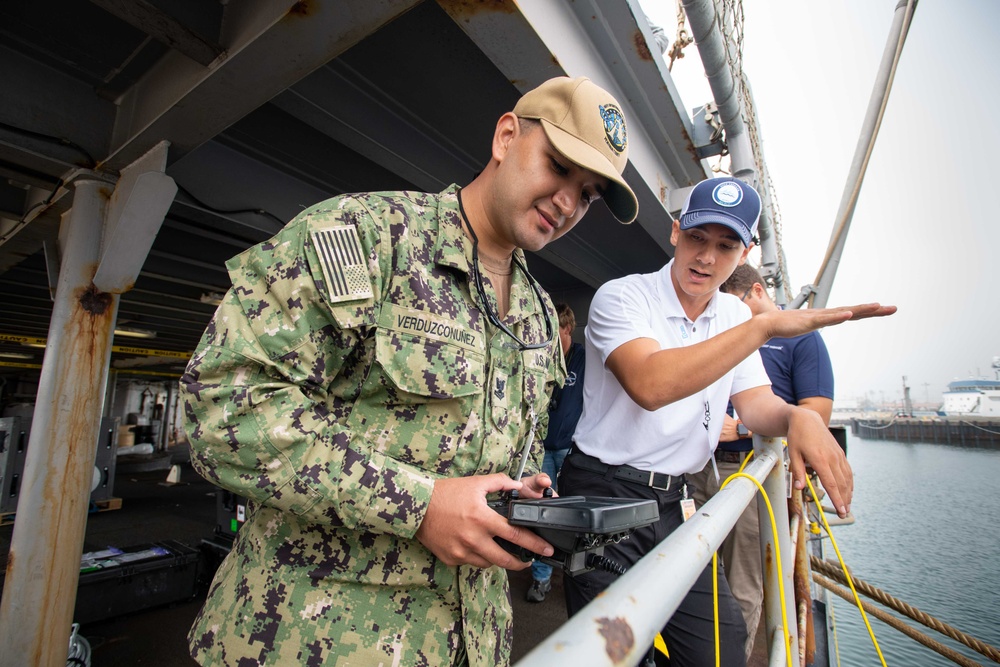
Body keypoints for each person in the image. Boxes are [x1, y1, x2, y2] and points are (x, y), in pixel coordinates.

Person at [179, 76, 639, 667]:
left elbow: (488, 458)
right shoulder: (369, 238)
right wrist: (417, 504)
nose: (568, 201)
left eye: (589, 193)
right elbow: (221, 406)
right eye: (558, 166)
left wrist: (519, 497)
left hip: (471, 644)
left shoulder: (540, 315)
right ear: (505, 137)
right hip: (313, 641)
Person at [558, 175, 894, 666]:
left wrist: (797, 417)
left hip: (676, 500)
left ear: (746, 250)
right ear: (675, 232)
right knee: (613, 653)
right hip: (605, 494)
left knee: (721, 647)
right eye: (696, 238)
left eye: (726, 245)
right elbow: (651, 385)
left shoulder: (735, 317)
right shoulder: (623, 297)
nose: (707, 257)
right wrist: (763, 326)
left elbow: (756, 404)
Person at [688, 262, 835, 661]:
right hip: (699, 469)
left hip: (752, 474)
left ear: (756, 292)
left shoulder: (802, 340)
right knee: (692, 572)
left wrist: (741, 431)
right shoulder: (722, 331)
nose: (735, 320)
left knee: (743, 584)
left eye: (740, 309)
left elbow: (816, 415)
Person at [526, 302, 586, 603]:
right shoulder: (542, 357)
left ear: (568, 328)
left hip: (571, 450)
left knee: (575, 512)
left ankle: (579, 577)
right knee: (542, 513)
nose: (552, 339)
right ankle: (541, 578)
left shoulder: (584, 359)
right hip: (542, 450)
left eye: (558, 331)